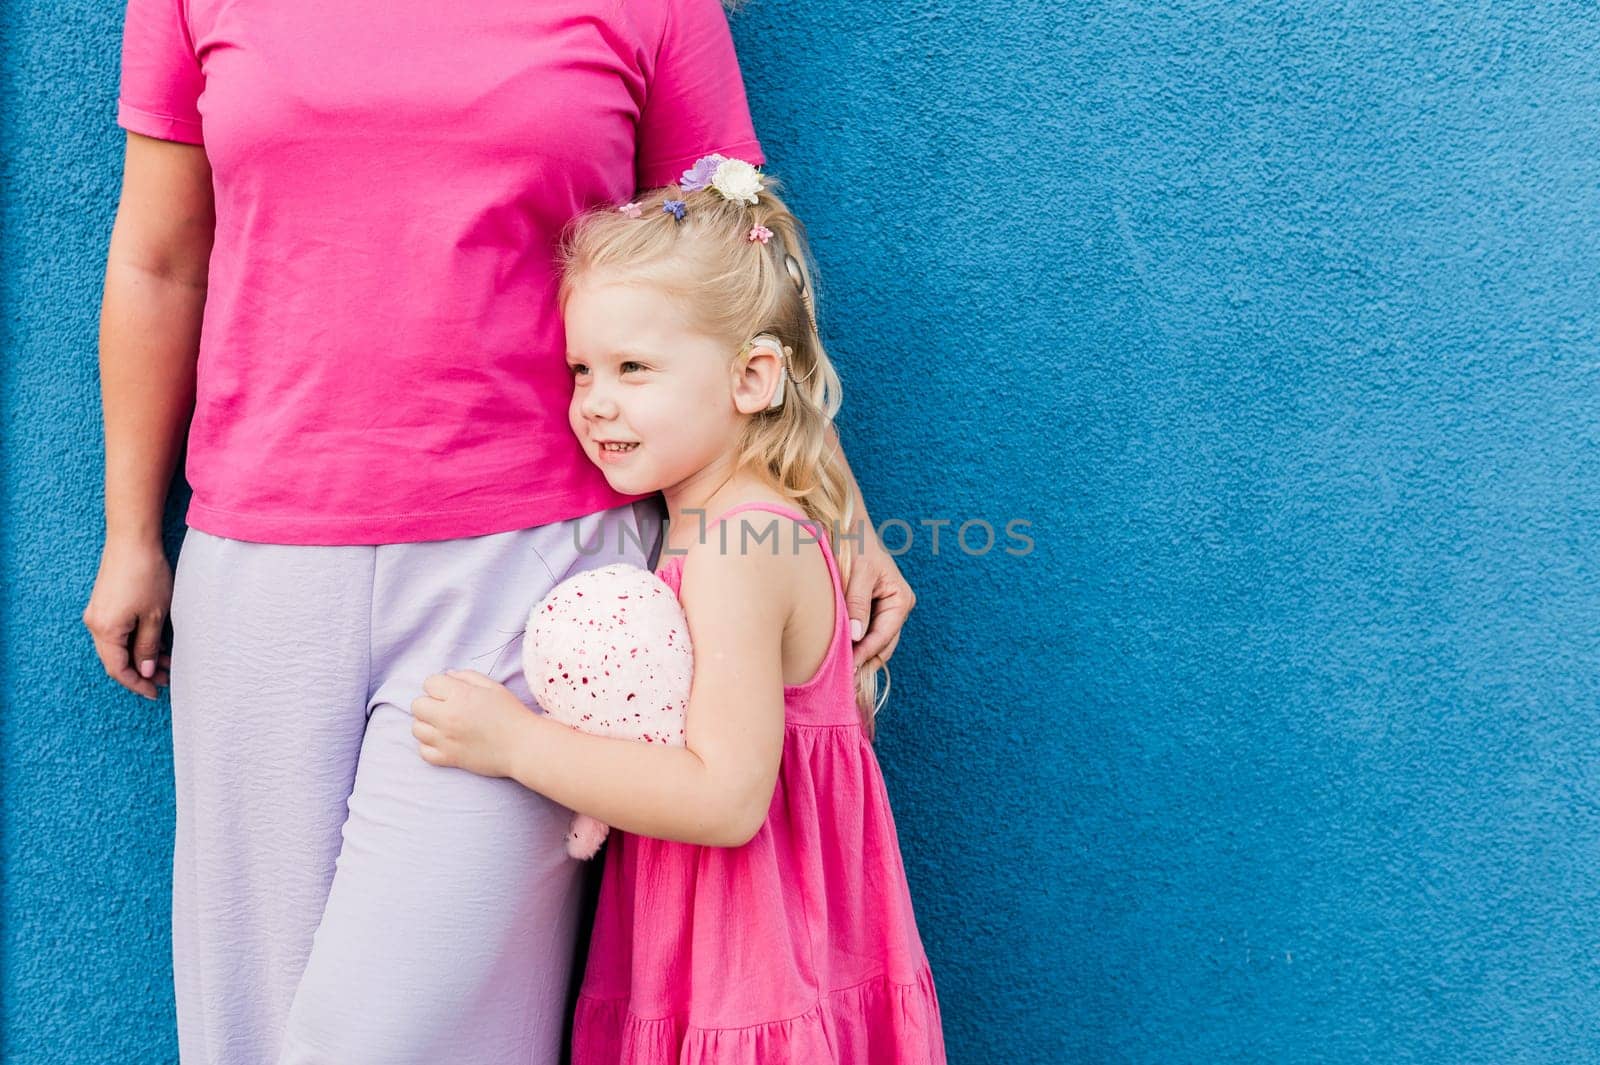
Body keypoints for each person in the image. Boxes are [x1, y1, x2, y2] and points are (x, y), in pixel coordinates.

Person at [82, 3, 916, 1062]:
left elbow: (737, 275)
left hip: (540, 585)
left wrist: (823, 498)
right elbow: (159, 263)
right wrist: (130, 533)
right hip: (261, 565)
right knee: (251, 1032)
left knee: (393, 1037)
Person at [411, 160, 945, 1064]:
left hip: (752, 972)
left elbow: (727, 797)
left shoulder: (741, 547)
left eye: (634, 367)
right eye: (581, 369)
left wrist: (513, 744)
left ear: (752, 378)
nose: (597, 402)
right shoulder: (710, 526)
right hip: (717, 955)